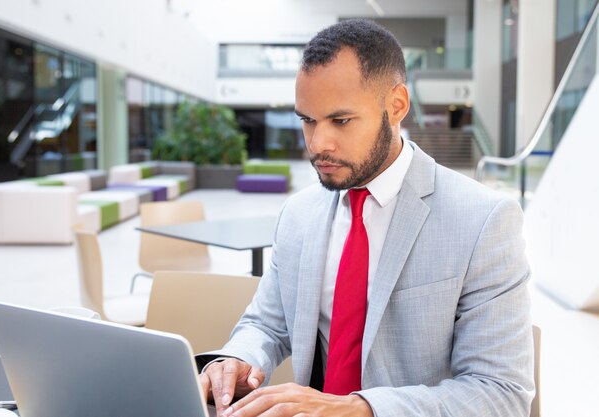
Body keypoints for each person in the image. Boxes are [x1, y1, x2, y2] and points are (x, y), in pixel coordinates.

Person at [199, 19, 534, 417]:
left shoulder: (484, 220)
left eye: (340, 121)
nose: (317, 143)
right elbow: (268, 325)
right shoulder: (299, 214)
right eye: (307, 120)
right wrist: (236, 360)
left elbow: (501, 392)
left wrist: (363, 408)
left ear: (396, 106)